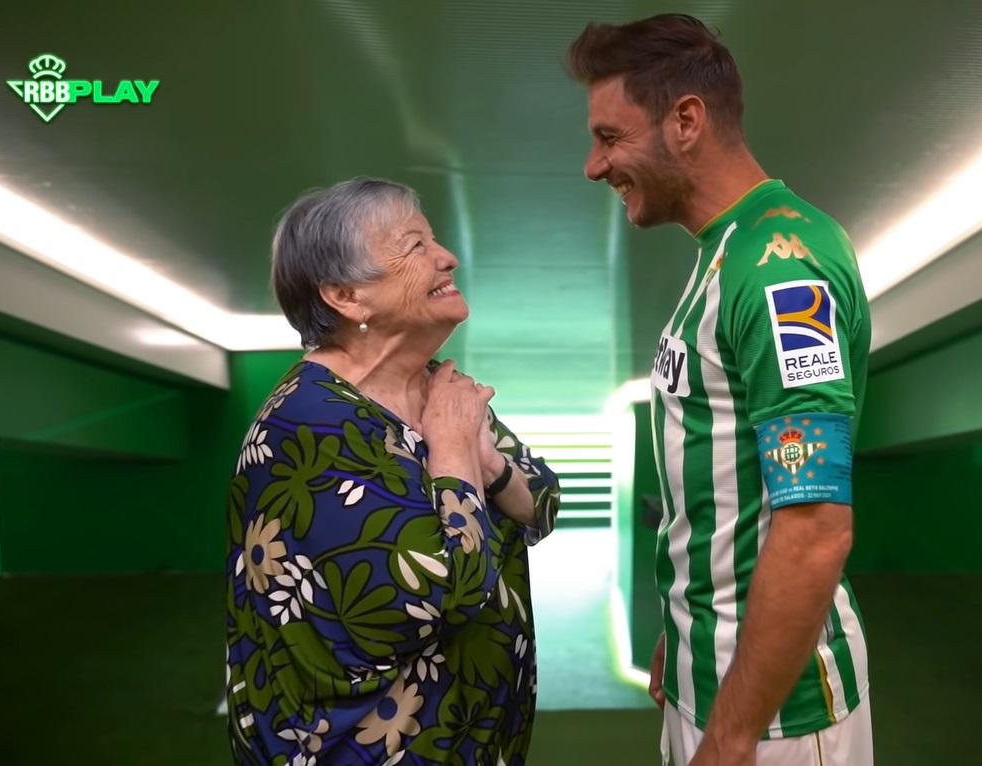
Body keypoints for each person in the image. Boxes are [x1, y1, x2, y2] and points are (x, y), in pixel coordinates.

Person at [569, 14, 873, 766]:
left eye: (610, 138)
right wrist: (682, 653)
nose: (593, 165)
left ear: (686, 121)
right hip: (715, 687)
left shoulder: (781, 270)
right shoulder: (725, 253)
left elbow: (815, 529)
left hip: (775, 716)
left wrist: (732, 736)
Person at [225, 178, 559, 766]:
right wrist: (454, 453)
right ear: (345, 297)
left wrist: (487, 463)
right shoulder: (309, 426)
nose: (447, 256)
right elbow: (442, 598)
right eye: (413, 246)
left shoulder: (437, 386)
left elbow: (544, 500)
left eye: (433, 239)